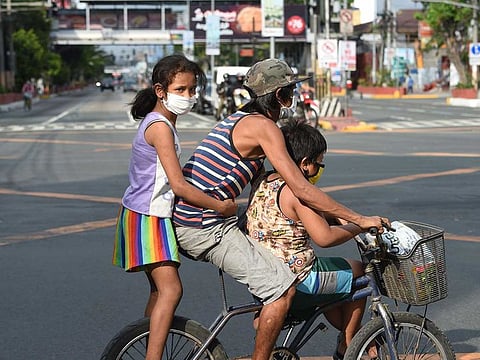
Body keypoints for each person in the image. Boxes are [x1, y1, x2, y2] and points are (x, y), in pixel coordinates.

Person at [172, 58, 389, 360]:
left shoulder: (240, 121)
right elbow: (302, 188)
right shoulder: (264, 128)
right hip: (203, 225)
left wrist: (342, 216)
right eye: (290, 91)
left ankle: (279, 323)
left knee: (282, 284)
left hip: (200, 219)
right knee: (281, 291)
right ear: (278, 96)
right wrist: (358, 220)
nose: (293, 97)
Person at [112, 54, 237, 360]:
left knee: (159, 292)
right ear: (160, 90)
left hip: (143, 214)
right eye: (181, 90)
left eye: (192, 90)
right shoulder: (160, 127)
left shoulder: (162, 122)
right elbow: (179, 185)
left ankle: (146, 344)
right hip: (147, 217)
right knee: (171, 290)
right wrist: (219, 206)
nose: (189, 97)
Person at [245, 120, 373, 360]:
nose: (319, 169)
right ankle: (348, 344)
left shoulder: (263, 181)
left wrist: (335, 216)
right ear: (304, 164)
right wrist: (357, 226)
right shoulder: (297, 191)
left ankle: (349, 339)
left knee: (338, 285)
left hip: (264, 273)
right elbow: (324, 237)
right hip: (298, 277)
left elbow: (292, 217)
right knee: (362, 272)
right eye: (318, 163)